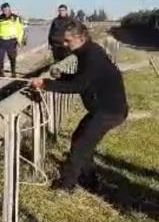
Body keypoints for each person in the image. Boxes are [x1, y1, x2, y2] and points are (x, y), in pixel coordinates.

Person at [31, 21, 128, 191]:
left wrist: (45, 84)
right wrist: (62, 77)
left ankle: (66, 185)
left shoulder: (92, 55)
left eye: (68, 41)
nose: (64, 44)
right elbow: (82, 79)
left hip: (109, 111)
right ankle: (89, 179)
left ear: (81, 38)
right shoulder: (88, 52)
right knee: (80, 139)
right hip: (104, 109)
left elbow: (79, 86)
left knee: (81, 145)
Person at [0, 2, 25, 78]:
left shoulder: (15, 18)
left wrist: (19, 40)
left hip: (11, 41)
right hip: (1, 41)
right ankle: (1, 72)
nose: (5, 11)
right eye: (4, 10)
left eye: (7, 9)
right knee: (0, 58)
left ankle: (13, 72)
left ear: (9, 9)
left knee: (12, 57)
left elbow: (20, 30)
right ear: (2, 10)